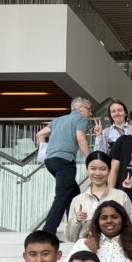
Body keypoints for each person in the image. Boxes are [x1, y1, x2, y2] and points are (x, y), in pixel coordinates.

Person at [42, 97, 92, 235]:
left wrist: (43, 152)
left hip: (50, 161)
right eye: (89, 109)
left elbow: (40, 134)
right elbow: (80, 138)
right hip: (65, 160)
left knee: (73, 192)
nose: (91, 113)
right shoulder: (80, 118)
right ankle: (48, 231)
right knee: (62, 196)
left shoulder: (58, 120)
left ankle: (73, 229)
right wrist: (90, 158)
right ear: (81, 108)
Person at [65, 151, 132, 244]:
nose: (97, 173)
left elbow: (130, 229)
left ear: (109, 170)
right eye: (93, 168)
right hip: (86, 249)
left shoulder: (121, 196)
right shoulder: (78, 200)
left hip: (115, 248)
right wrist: (76, 221)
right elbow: (70, 237)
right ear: (87, 169)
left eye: (102, 169)